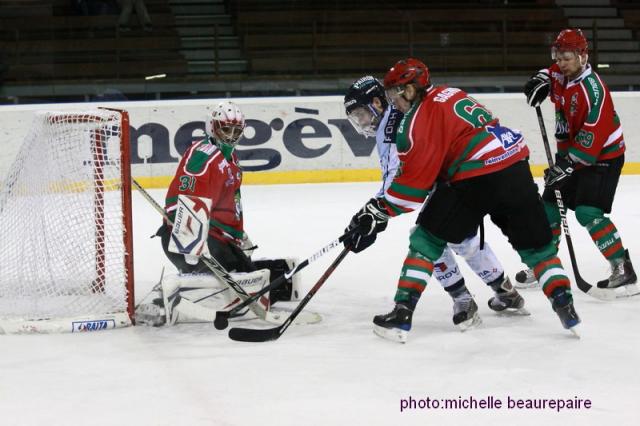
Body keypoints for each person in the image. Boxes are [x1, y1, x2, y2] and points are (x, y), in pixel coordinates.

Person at [345, 58, 581, 343]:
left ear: (409, 90)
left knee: (426, 240)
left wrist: (378, 211)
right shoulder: (451, 92)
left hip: (474, 177)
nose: (393, 101)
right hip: (515, 165)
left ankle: (402, 313)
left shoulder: (414, 121)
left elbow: (412, 188)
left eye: (395, 93)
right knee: (538, 249)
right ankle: (565, 307)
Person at [343, 76, 527, 331]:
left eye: (362, 114)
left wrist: (373, 214)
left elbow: (398, 181)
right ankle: (506, 293)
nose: (361, 122)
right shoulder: (402, 113)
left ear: (377, 102)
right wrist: (373, 213)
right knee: (462, 239)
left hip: (456, 182)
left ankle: (464, 301)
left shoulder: (391, 128)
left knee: (429, 239)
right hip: (469, 174)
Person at [136, 101, 297, 326]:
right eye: (225, 129)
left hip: (217, 239)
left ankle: (195, 285)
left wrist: (238, 236)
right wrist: (191, 241)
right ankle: (160, 301)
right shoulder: (204, 155)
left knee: (264, 284)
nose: (231, 136)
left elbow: (229, 203)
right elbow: (183, 197)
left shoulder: (230, 158)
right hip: (190, 239)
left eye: (236, 130)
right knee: (253, 285)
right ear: (212, 127)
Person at [520, 28, 637, 294]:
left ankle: (622, 268)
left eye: (567, 57)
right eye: (557, 56)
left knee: (587, 212)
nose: (561, 63)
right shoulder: (562, 73)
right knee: (548, 204)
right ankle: (544, 264)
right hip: (572, 151)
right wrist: (539, 78)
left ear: (583, 56)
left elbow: (591, 140)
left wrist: (567, 165)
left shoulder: (593, 91)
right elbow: (549, 73)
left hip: (603, 156)